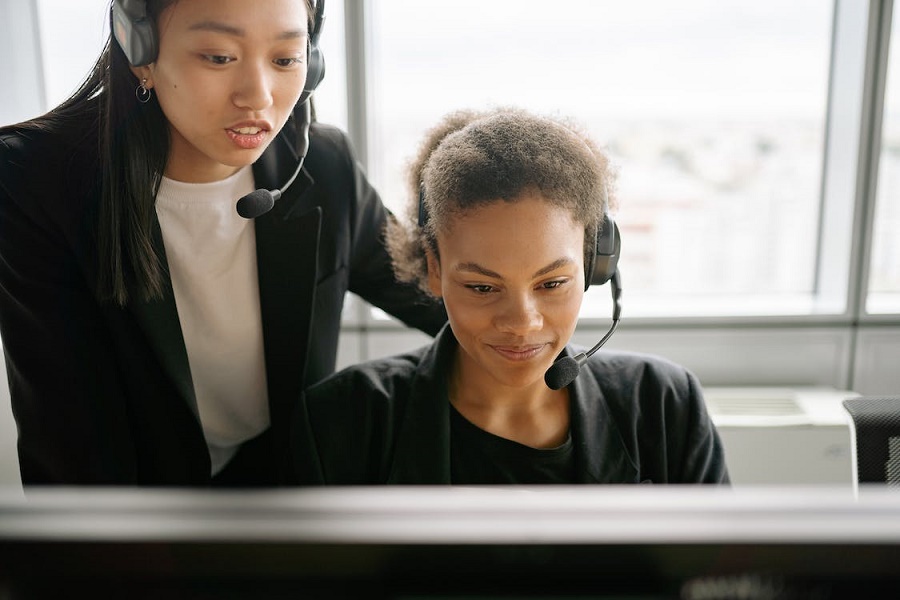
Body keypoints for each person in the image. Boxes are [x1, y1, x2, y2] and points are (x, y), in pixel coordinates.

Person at [0, 0, 445, 486]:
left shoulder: (323, 166)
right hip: (126, 517)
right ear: (140, 48)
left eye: (285, 59)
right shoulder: (33, 184)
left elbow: (443, 299)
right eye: (218, 57)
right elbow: (70, 434)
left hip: (283, 496)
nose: (258, 97)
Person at [290, 107, 730, 485]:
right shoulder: (341, 421)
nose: (521, 322)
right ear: (435, 269)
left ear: (596, 264)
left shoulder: (665, 405)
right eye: (483, 287)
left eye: (552, 284)